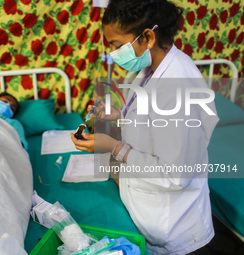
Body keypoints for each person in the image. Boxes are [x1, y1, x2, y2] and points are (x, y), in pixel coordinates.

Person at [71, 0, 219, 254]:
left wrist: (115, 147)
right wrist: (118, 115)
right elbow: (155, 125)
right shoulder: (153, 67)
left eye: (117, 44)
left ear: (148, 37)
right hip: (151, 213)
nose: (113, 52)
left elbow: (175, 175)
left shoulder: (177, 88)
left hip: (175, 229)